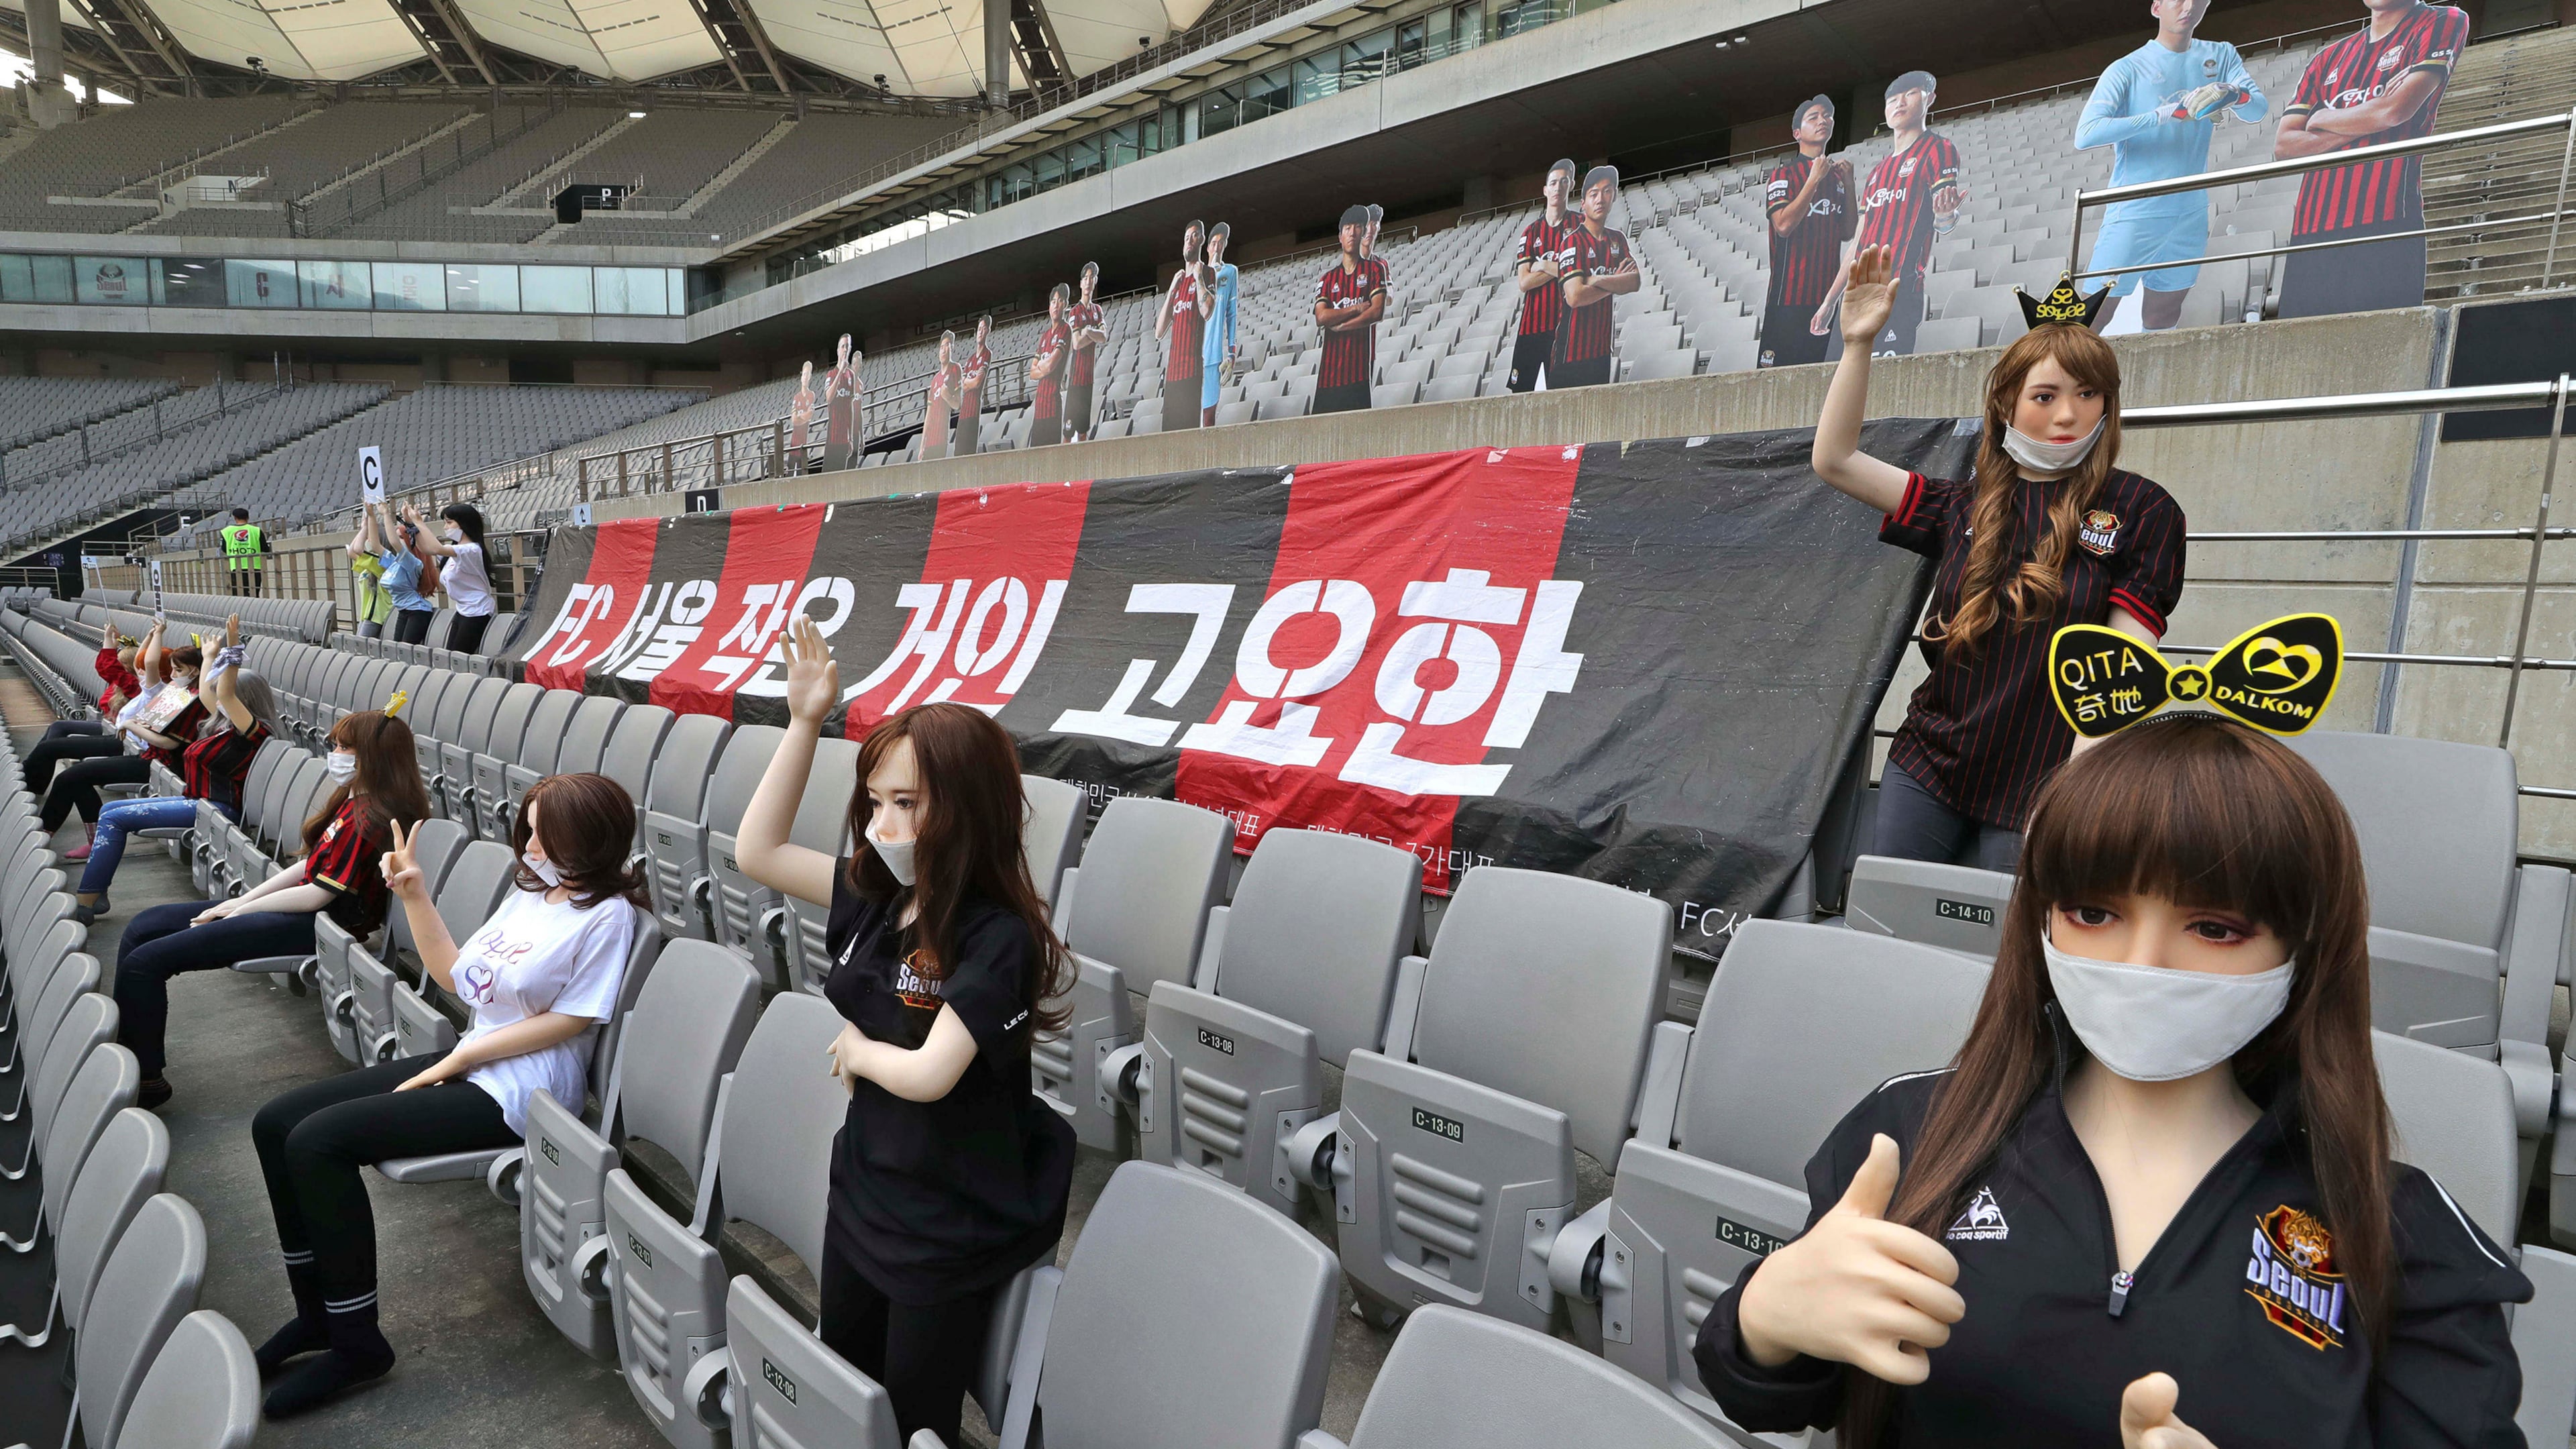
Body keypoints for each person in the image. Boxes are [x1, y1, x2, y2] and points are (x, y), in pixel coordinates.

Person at [1693, 714, 2530, 1448]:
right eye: (2094, 914)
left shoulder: (2409, 1243)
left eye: (2214, 927)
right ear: (2043, 920)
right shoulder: (1914, 1130)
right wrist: (1761, 1318)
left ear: (2300, 949)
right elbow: (1772, 1393)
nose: (2145, 967)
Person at [737, 618, 1075, 1446]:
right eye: (876, 803)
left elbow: (931, 1073)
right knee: (844, 1384)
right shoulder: (878, 893)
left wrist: (857, 1050)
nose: (882, 825)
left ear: (966, 810)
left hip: (948, 1216)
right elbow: (758, 851)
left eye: (908, 805)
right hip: (866, 1182)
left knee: (913, 1420)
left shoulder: (1000, 936)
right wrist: (806, 722)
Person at [250, 773, 647, 1419]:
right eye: (531, 827)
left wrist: (463, 1055)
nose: (534, 843)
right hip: (475, 1059)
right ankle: (315, 1315)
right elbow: (461, 981)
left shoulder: (609, 915)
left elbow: (575, 1020)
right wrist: (414, 894)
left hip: (527, 1087)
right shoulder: (531, 894)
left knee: (319, 1142)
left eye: (552, 832)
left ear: (594, 839)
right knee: (276, 1123)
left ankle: (356, 1340)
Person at [1812, 248, 2184, 869]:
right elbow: (1835, 460)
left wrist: (2083, 792)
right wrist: (1857, 345)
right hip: (1927, 767)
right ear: (2007, 405)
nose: (2069, 414)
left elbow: (2119, 675)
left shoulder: (2143, 509)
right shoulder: (1961, 505)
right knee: (1892, 928)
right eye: (2046, 396)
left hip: (2045, 785)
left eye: (2088, 393)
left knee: (1999, 956)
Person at [115, 704, 429, 1110]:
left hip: (317, 925)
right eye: (335, 744)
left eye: (345, 747)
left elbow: (318, 894)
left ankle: (146, 1077)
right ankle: (128, 1045)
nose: (334, 753)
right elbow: (307, 864)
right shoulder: (353, 802)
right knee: (145, 925)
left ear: (374, 757)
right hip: (296, 911)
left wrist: (239, 912)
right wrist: (240, 901)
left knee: (146, 962)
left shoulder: (373, 819)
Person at [2076, 0, 2267, 332]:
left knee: (2163, 317)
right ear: (2156, 7)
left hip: (2189, 212)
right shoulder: (2128, 67)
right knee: (2090, 320)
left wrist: (2234, 94)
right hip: (2135, 211)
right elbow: (2086, 134)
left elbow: (2258, 110)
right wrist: (2163, 115)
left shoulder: (2220, 55)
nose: (2189, 6)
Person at [75, 614, 278, 924]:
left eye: (230, 695)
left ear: (244, 700)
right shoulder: (223, 723)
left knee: (114, 815)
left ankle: (87, 899)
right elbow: (214, 692)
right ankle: (94, 893)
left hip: (218, 808)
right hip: (199, 801)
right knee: (111, 811)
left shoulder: (253, 733)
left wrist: (233, 648)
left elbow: (223, 693)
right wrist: (210, 657)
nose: (216, 696)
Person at [2271, 0, 2468, 319]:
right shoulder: (2328, 58)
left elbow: (2395, 111)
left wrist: (2322, 116)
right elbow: (2284, 145)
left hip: (2388, 222)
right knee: (2300, 353)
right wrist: (2370, 116)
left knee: (2380, 349)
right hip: (2311, 230)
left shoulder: (2442, 20)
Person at [1815, 72, 1966, 358]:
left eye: (1910, 94)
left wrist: (1946, 215)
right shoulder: (1876, 172)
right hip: (1854, 296)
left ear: (1929, 99)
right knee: (1836, 384)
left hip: (1898, 290)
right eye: (1893, 99)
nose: (1900, 103)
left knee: (1878, 387)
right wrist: (1829, 302)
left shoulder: (1938, 150)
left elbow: (1943, 220)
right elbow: (1856, 243)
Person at [44, 625, 205, 854]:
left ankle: (64, 838)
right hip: (151, 758)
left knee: (72, 777)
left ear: (196, 671)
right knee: (73, 777)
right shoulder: (174, 690)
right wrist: (154, 634)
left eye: (179, 670)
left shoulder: (192, 698)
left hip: (162, 764)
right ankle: (55, 835)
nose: (174, 675)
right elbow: (147, 664)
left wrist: (131, 725)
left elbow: (170, 743)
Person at [1761, 99, 1858, 368]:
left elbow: (1848, 232)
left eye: (1827, 116)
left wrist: (1849, 185)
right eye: (1814, 117)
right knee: (1777, 381)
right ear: (1797, 133)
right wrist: (1813, 180)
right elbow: (1782, 225)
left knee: (1820, 378)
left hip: (1824, 301)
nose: (1823, 120)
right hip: (1788, 300)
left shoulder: (1838, 177)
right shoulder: (1784, 173)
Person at [1552, 164, 1640, 388]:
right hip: (1570, 352)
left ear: (1614, 197)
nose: (1601, 198)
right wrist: (1615, 282)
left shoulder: (1617, 240)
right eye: (1594, 194)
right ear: (1583, 204)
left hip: (1601, 352)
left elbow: (1634, 281)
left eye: (1607, 191)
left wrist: (1598, 280)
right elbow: (1575, 296)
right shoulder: (1572, 242)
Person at [21, 631, 140, 791]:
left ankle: (33, 779)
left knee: (59, 730)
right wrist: (108, 643)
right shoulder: (120, 682)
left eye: (122, 664)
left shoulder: (134, 685)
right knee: (57, 727)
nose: (117, 666)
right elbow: (103, 668)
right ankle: (33, 771)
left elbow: (111, 668)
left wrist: (109, 646)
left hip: (116, 734)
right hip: (108, 727)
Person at [1510, 159, 1582, 391]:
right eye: (1553, 183)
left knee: (1563, 395)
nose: (1558, 187)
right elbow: (1524, 282)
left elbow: (1581, 273)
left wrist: (1542, 265)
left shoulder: (1581, 225)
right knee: (1521, 396)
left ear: (1571, 185)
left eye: (1564, 182)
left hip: (1566, 328)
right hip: (1531, 327)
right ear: (1545, 189)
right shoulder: (1531, 232)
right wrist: (1561, 266)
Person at [1313, 205, 1388, 415]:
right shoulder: (1327, 279)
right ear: (1340, 236)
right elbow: (1321, 317)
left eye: (1357, 227)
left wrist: (1342, 325)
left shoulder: (1374, 269)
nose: (1353, 233)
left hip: (1357, 373)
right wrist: (1356, 308)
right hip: (1328, 376)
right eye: (1348, 228)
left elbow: (1376, 312)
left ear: (1364, 232)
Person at [411, 502, 496, 655]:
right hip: (463, 610)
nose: (446, 527)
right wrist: (413, 527)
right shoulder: (455, 552)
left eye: (449, 522)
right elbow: (427, 549)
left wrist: (419, 522)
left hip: (478, 611)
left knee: (459, 657)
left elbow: (437, 548)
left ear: (464, 524)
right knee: (451, 656)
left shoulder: (471, 550)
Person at [1156, 223, 1206, 431]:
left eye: (1194, 236)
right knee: (1169, 434)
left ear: (1201, 240)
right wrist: (1170, 290)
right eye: (1187, 237)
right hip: (1173, 374)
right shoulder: (1177, 284)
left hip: (1191, 371)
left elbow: (1207, 311)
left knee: (1187, 432)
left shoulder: (1206, 273)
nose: (1190, 240)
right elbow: (1159, 332)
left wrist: (1199, 277)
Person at [377, 502, 437, 645]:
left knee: (407, 652)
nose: (398, 540)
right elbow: (375, 545)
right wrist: (370, 517)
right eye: (398, 536)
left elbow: (393, 542)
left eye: (402, 537)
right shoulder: (395, 562)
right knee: (397, 650)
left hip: (417, 611)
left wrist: (386, 514)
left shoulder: (412, 561)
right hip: (404, 610)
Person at [1198, 223, 1240, 426]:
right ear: (1207, 248)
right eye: (1213, 243)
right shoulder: (1197, 273)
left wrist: (1232, 352)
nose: (1216, 247)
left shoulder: (1230, 272)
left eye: (1220, 243)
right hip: (1193, 356)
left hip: (1214, 356)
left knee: (1208, 416)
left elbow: (1231, 314)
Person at [1065, 262, 1106, 441]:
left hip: (1089, 380)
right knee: (1068, 432)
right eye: (1086, 278)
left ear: (1095, 281)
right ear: (1081, 283)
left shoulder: (1097, 310)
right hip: (1075, 380)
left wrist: (1088, 331)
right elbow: (1077, 343)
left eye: (1092, 278)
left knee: (1083, 431)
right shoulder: (1075, 311)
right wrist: (1093, 334)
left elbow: (1104, 337)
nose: (1089, 281)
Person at [1028, 286, 1071, 448]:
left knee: (1049, 457)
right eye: (1053, 301)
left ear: (1065, 305)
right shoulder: (1045, 336)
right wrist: (1041, 367)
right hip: (1039, 407)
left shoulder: (1065, 329)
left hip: (1053, 407)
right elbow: (1032, 374)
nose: (1056, 305)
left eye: (1060, 301)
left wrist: (1041, 365)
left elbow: (1051, 366)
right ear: (1049, 306)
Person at [347, 508, 392, 639]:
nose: (367, 541)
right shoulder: (370, 564)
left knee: (360, 647)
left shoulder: (381, 564)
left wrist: (367, 527)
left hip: (379, 615)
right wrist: (364, 528)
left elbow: (357, 549)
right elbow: (351, 552)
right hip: (368, 614)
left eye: (369, 538)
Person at [823, 333, 861, 471]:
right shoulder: (831, 374)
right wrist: (840, 373)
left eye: (847, 347)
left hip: (845, 439)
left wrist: (850, 438)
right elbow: (829, 398)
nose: (845, 350)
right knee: (828, 474)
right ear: (838, 350)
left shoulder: (851, 376)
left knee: (840, 473)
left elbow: (850, 406)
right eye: (843, 346)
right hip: (833, 436)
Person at [957, 317, 993, 455]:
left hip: (973, 411)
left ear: (988, 331)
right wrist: (968, 382)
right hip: (963, 413)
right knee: (958, 452)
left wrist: (968, 382)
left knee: (968, 451)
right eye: (979, 329)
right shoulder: (970, 359)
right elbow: (963, 387)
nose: (981, 332)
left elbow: (977, 383)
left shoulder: (986, 354)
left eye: (984, 329)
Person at [922, 333, 957, 459]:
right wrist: (922, 446)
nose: (943, 350)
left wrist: (947, 396)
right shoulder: (935, 379)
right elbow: (929, 415)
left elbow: (958, 405)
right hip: (929, 441)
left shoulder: (955, 369)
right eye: (941, 347)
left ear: (952, 348)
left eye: (947, 345)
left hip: (941, 439)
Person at [221, 506, 268, 598]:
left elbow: (224, 549)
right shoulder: (256, 531)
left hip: (236, 567)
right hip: (255, 567)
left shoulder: (227, 531)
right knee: (254, 594)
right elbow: (265, 548)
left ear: (235, 518)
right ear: (248, 517)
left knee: (239, 594)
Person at [790, 360, 818, 471]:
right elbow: (794, 420)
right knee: (791, 472)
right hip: (794, 442)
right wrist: (802, 416)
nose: (806, 377)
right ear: (802, 376)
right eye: (804, 374)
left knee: (802, 472)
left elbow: (809, 416)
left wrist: (800, 416)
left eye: (808, 374)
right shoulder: (797, 397)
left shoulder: (811, 395)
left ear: (810, 377)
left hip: (803, 442)